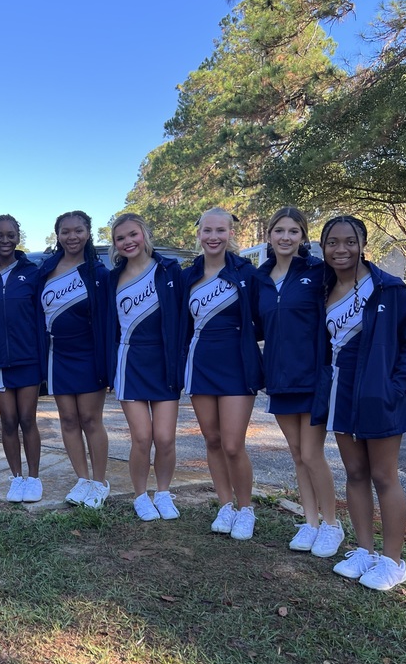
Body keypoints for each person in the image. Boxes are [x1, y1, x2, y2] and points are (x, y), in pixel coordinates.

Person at [312, 215, 406, 591]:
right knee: (355, 473)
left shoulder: (390, 289)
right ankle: (364, 551)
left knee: (383, 475)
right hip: (341, 392)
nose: (340, 249)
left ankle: (393, 561)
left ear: (362, 244)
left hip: (380, 394)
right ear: (323, 247)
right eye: (332, 242)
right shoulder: (324, 289)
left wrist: (396, 385)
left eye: (349, 241)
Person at [254, 207, 343, 557]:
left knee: (311, 453)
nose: (286, 237)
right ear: (269, 235)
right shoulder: (259, 279)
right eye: (279, 231)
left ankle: (332, 525)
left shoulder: (318, 273)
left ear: (304, 238)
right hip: (278, 376)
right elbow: (256, 326)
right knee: (295, 454)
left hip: (312, 376)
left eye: (294, 231)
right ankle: (310, 523)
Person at [181, 207, 264, 539]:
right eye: (207, 231)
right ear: (199, 234)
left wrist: (243, 339)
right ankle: (225, 505)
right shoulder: (188, 276)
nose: (213, 237)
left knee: (232, 443)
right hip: (201, 362)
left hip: (237, 363)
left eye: (220, 230)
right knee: (212, 439)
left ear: (231, 234)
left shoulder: (247, 272)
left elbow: (264, 316)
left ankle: (246, 509)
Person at [106, 214, 183, 522]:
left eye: (133, 234)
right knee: (142, 437)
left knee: (165, 437)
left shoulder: (170, 271)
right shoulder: (112, 279)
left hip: (164, 361)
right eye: (120, 238)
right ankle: (140, 495)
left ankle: (163, 492)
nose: (128, 242)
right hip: (130, 362)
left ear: (145, 234)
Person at [37, 211, 110, 508]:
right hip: (58, 353)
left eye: (78, 230)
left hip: (89, 353)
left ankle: (100, 481)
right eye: (65, 231)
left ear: (88, 233)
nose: (72, 236)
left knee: (91, 419)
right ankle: (82, 479)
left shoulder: (98, 272)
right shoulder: (46, 269)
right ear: (57, 235)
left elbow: (107, 317)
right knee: (68, 419)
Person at [0, 215, 45, 503]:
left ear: (18, 237)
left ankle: (34, 477)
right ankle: (16, 478)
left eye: (10, 235)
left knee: (28, 420)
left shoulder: (33, 271)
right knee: (8, 421)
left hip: (28, 357)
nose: (5, 240)